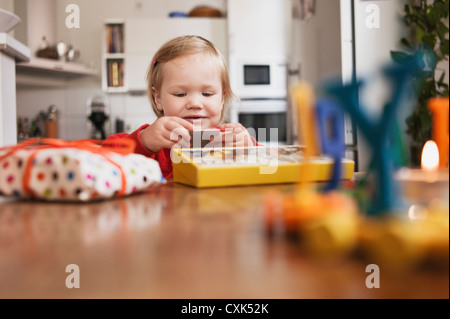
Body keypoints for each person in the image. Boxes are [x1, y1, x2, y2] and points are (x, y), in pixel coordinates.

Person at [103, 35, 256, 179]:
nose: (195, 104)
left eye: (207, 94)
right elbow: (100, 159)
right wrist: (144, 141)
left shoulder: (229, 141)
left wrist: (250, 148)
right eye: (180, 94)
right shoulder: (153, 143)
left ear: (222, 99)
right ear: (158, 99)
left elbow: (271, 163)